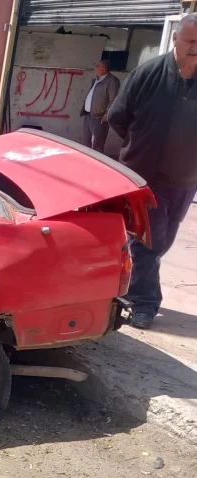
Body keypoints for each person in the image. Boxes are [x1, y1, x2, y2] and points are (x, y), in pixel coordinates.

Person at [106, 12, 197, 330]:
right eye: (190, 41)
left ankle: (127, 285)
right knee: (147, 241)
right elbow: (117, 116)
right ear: (175, 39)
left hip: (185, 180)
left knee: (163, 242)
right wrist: (141, 145)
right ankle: (143, 303)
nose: (195, 48)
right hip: (145, 177)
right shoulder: (148, 74)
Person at [80, 60, 119, 153]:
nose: (95, 68)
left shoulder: (112, 81)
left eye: (97, 66)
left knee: (97, 146)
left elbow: (114, 99)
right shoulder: (95, 80)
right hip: (88, 116)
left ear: (104, 69)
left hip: (99, 118)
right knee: (86, 144)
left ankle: (94, 162)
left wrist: (107, 114)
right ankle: (86, 161)